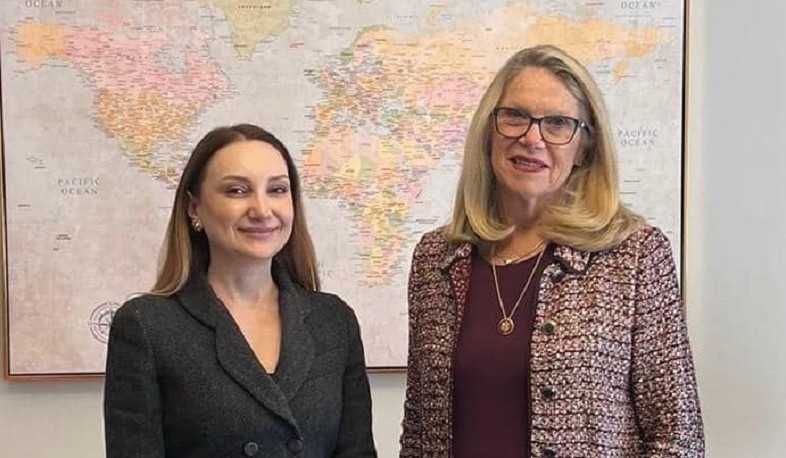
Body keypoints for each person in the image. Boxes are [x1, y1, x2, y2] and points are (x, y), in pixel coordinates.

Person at [400, 45, 704, 457]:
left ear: (585, 147)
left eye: (558, 123)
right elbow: (420, 434)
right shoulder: (436, 258)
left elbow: (678, 437)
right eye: (515, 116)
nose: (532, 138)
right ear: (489, 132)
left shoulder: (635, 256)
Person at [104, 124, 376, 458]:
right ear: (194, 209)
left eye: (277, 190)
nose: (262, 210)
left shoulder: (333, 320)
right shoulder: (146, 326)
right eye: (236, 191)